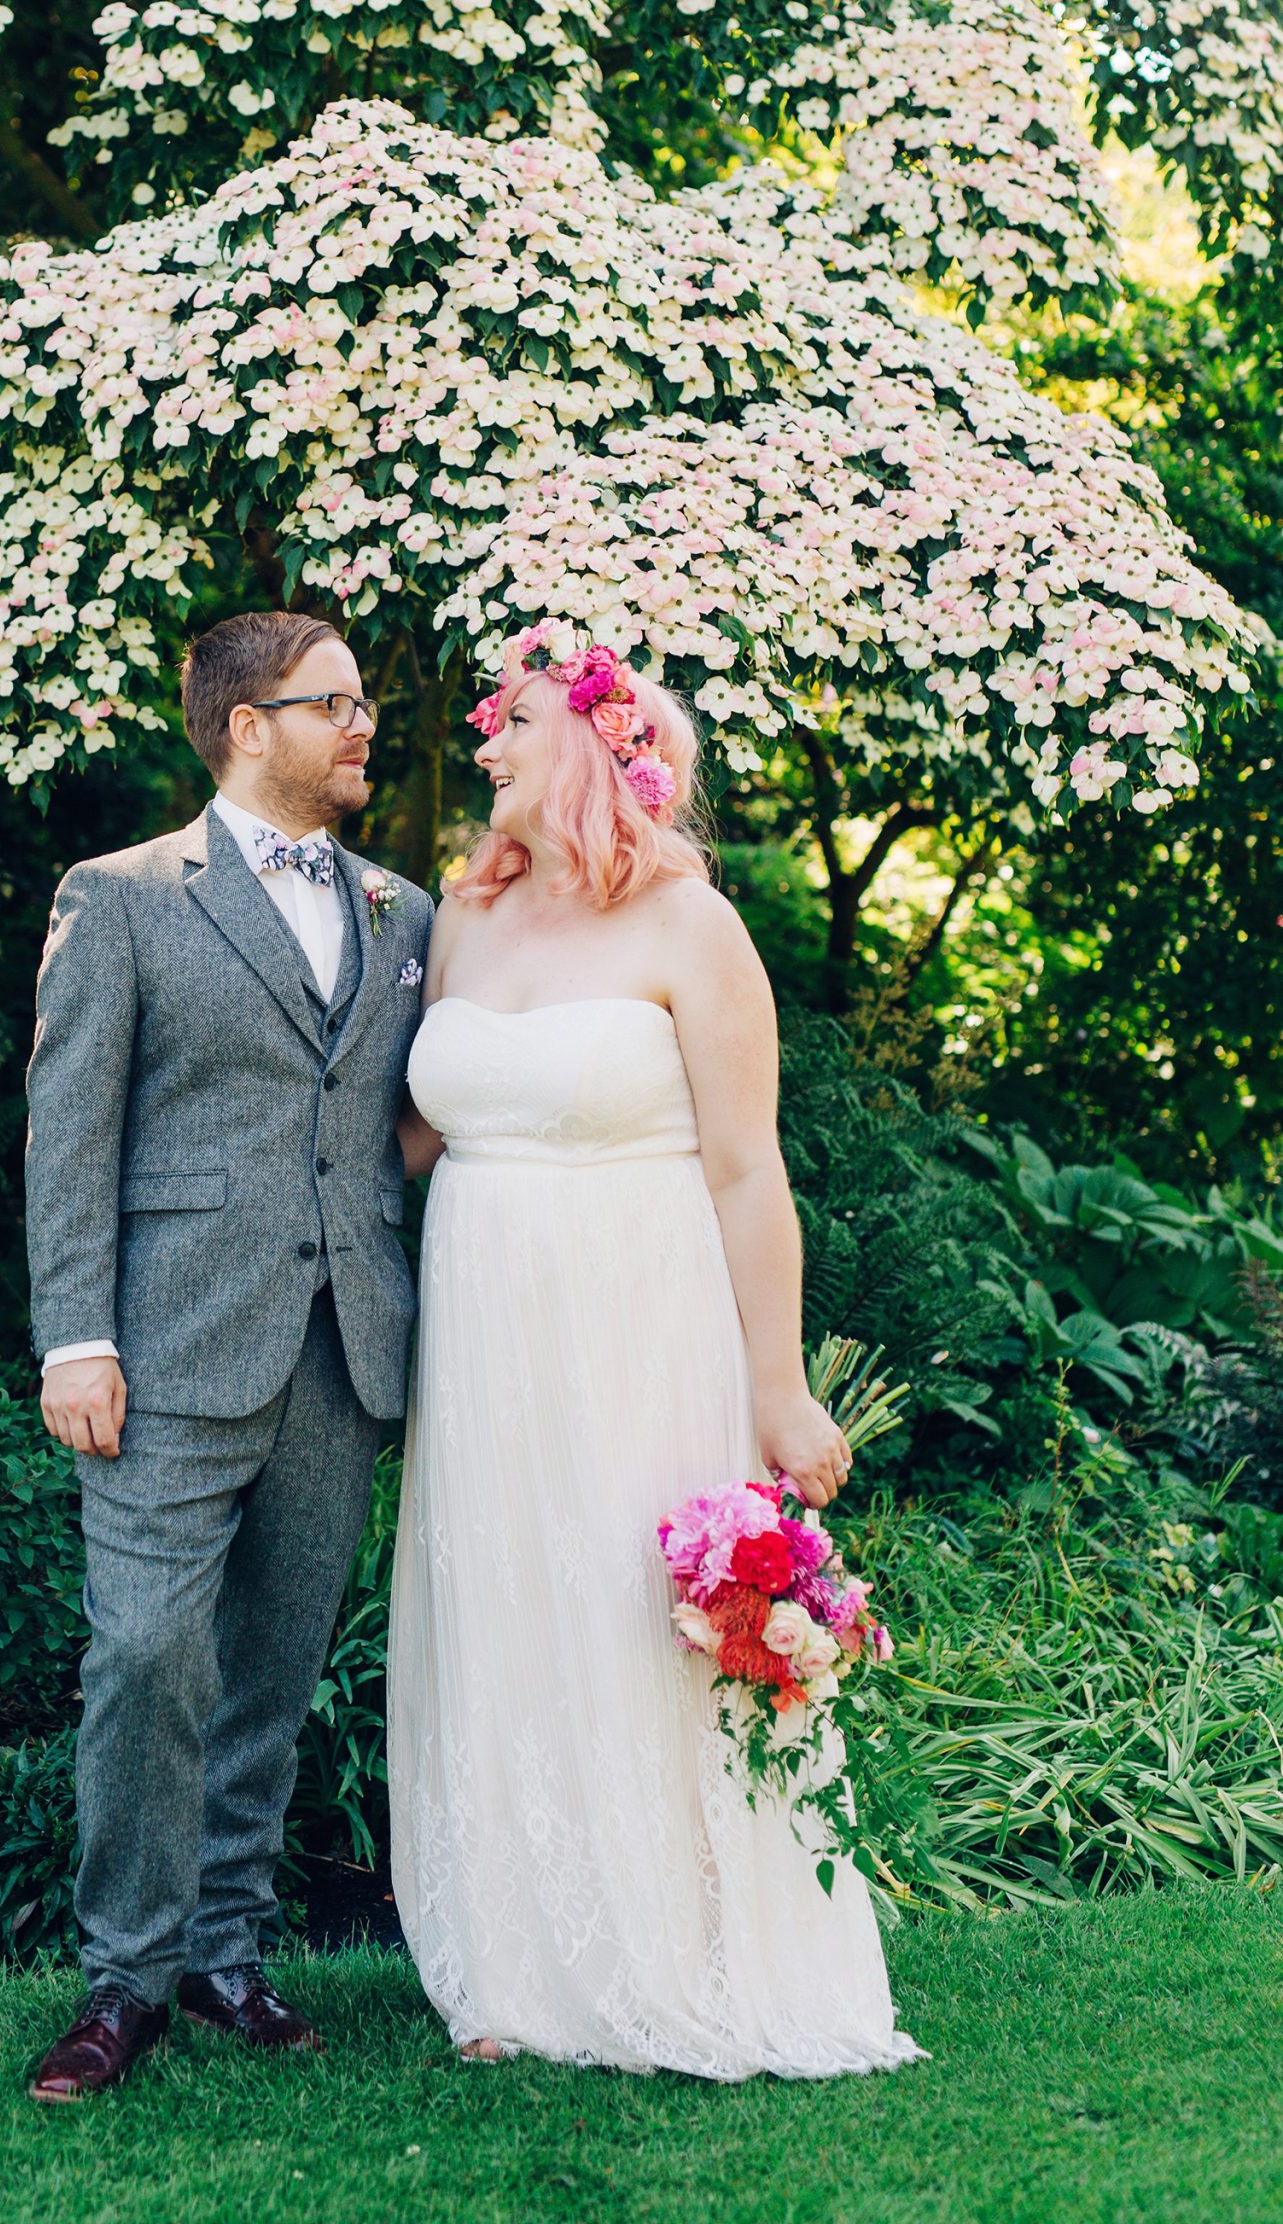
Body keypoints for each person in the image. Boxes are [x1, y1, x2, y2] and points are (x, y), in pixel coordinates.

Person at [388, 622, 922, 2079]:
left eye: (511, 721)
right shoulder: (461, 919)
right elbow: (418, 1136)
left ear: (591, 748)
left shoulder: (693, 927)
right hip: (485, 1319)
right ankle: (510, 1959)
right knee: (503, 1599)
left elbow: (750, 1172)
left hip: (636, 1308)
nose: (485, 741)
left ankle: (674, 1950)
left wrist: (778, 1383)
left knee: (630, 1610)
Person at [24, 610, 434, 2103]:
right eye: (336, 703)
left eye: (366, 701)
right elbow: (70, 1126)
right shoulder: (122, 896)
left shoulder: (408, 911)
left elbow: (406, 1105)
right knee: (144, 1657)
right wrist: (77, 1335)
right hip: (165, 1344)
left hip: (345, 1346)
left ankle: (225, 1953)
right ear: (248, 724)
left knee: (271, 1666)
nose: (364, 724)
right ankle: (121, 1980)